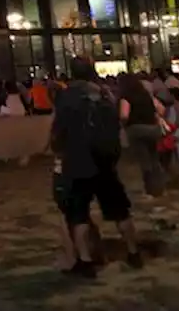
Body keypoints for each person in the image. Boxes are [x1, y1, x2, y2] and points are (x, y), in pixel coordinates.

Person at [51, 60, 142, 278]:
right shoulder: (104, 94)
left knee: (78, 214)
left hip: (78, 161)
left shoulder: (68, 96)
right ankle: (134, 252)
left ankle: (85, 261)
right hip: (105, 160)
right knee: (120, 210)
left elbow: (59, 130)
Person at [118, 73, 165, 197]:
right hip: (152, 128)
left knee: (144, 160)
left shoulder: (126, 96)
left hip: (136, 129)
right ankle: (159, 187)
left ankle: (150, 189)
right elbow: (161, 109)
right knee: (154, 158)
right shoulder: (146, 95)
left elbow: (124, 115)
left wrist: (123, 125)